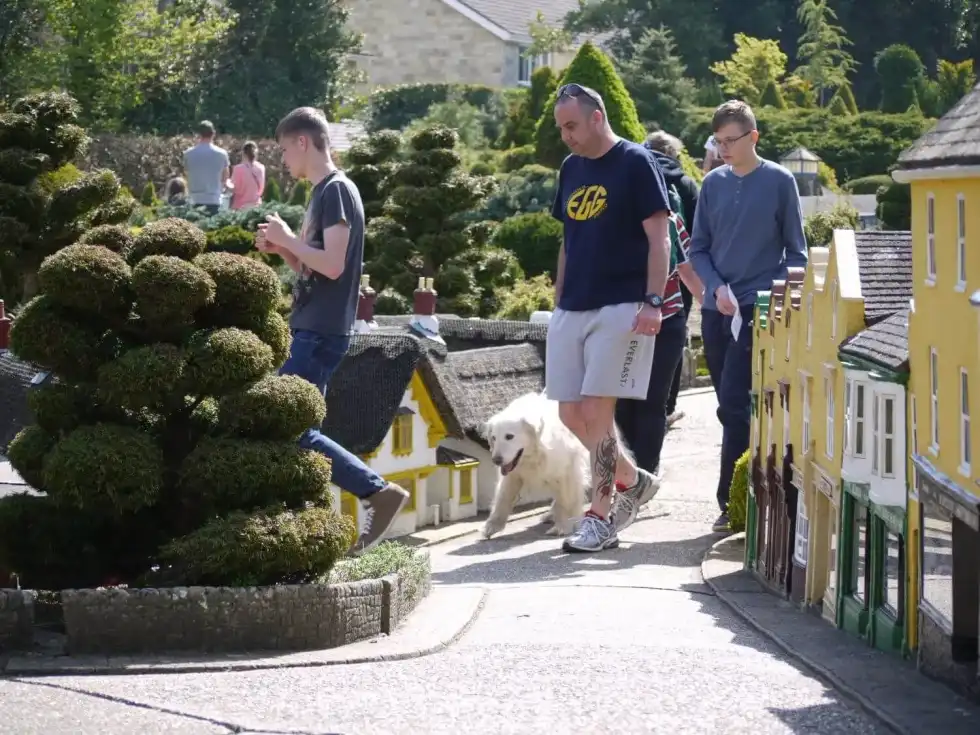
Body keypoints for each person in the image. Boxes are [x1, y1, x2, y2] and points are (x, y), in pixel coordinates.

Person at [255, 106, 409, 554]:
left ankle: (376, 492)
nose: (283, 160)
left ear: (304, 142)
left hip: (319, 332)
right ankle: (317, 522)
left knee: (286, 422)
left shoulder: (336, 191)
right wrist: (283, 249)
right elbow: (313, 267)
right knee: (300, 430)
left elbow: (335, 264)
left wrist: (286, 239)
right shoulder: (325, 193)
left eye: (285, 149)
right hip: (315, 327)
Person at [546, 83, 670, 553]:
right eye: (561, 127)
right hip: (572, 305)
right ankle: (634, 481)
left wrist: (653, 301)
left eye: (572, 125)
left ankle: (600, 516)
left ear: (598, 116)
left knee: (599, 413)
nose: (566, 136)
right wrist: (559, 298)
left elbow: (659, 239)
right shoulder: (570, 168)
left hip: (622, 304)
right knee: (570, 413)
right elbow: (568, 239)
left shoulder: (636, 163)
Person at [689, 100, 807, 534]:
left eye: (730, 141)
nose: (722, 149)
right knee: (729, 406)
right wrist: (716, 288)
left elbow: (797, 253)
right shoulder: (712, 185)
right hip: (714, 310)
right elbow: (697, 248)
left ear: (753, 137)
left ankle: (729, 503)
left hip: (757, 314)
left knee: (737, 404)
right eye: (717, 142)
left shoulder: (780, 181)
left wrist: (761, 298)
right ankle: (746, 495)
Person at [615, 180, 703, 478]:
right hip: (623, 322)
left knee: (651, 402)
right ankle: (627, 477)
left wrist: (714, 310)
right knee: (624, 402)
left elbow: (688, 271)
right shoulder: (613, 221)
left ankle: (644, 476)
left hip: (666, 320)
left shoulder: (672, 222)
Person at [643, 131, 701, 428]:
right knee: (673, 341)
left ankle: (638, 401)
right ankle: (667, 406)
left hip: (646, 273)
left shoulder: (637, 174)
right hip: (681, 274)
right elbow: (697, 230)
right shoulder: (687, 184)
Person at [182, 120, 230, 214]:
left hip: (194, 199)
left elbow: (186, 174)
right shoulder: (222, 154)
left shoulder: (188, 154)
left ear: (198, 134)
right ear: (213, 134)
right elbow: (225, 177)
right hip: (214, 199)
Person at [230, 141, 265, 210]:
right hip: (256, 205)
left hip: (240, 206)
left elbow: (236, 188)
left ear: (243, 153)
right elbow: (261, 189)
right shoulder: (261, 167)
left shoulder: (238, 168)